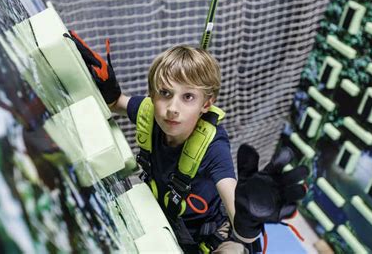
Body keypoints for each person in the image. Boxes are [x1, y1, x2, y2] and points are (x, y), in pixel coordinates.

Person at [64, 30, 309, 254]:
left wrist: (246, 219)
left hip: (210, 237)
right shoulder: (149, 112)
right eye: (165, 93)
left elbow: (230, 193)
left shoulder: (214, 147)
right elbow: (117, 103)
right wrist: (107, 89)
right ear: (152, 94)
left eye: (188, 97)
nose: (172, 108)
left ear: (206, 103)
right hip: (164, 221)